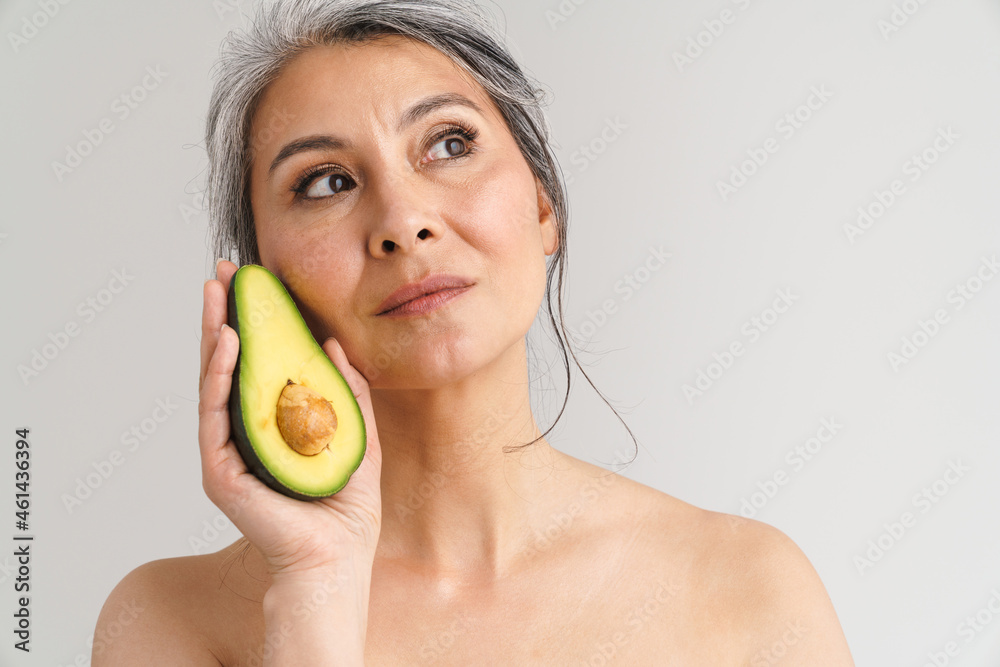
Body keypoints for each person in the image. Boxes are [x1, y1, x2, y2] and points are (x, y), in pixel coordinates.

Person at [94, 0, 855, 663]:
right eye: (327, 181)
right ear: (265, 284)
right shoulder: (169, 622)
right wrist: (316, 588)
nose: (403, 221)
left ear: (543, 206)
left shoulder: (751, 586)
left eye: (449, 143)